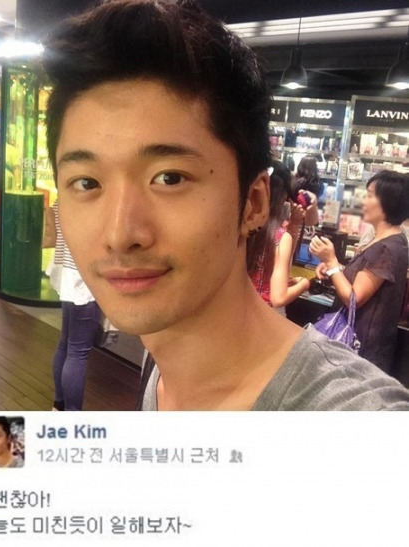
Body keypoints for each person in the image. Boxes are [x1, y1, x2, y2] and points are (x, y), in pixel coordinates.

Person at [43, 0, 409, 410]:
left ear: (254, 203)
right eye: (87, 182)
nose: (119, 234)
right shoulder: (163, 363)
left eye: (170, 178)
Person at [309, 170, 409, 374]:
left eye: (370, 195)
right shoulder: (383, 240)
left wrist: (331, 261)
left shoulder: (387, 247)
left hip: (361, 350)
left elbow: (354, 298)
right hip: (357, 345)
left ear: (387, 202)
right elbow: (365, 279)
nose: (363, 200)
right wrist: (335, 269)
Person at [46, 200, 101, 411]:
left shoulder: (63, 198)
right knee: (78, 351)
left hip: (66, 275)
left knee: (66, 344)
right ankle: (72, 412)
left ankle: (59, 405)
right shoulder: (92, 203)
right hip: (82, 280)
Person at [247, 161, 310, 314]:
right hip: (265, 315)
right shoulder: (280, 236)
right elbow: (278, 298)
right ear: (283, 195)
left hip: (238, 311)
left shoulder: (244, 227)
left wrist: (294, 225)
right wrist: (305, 283)